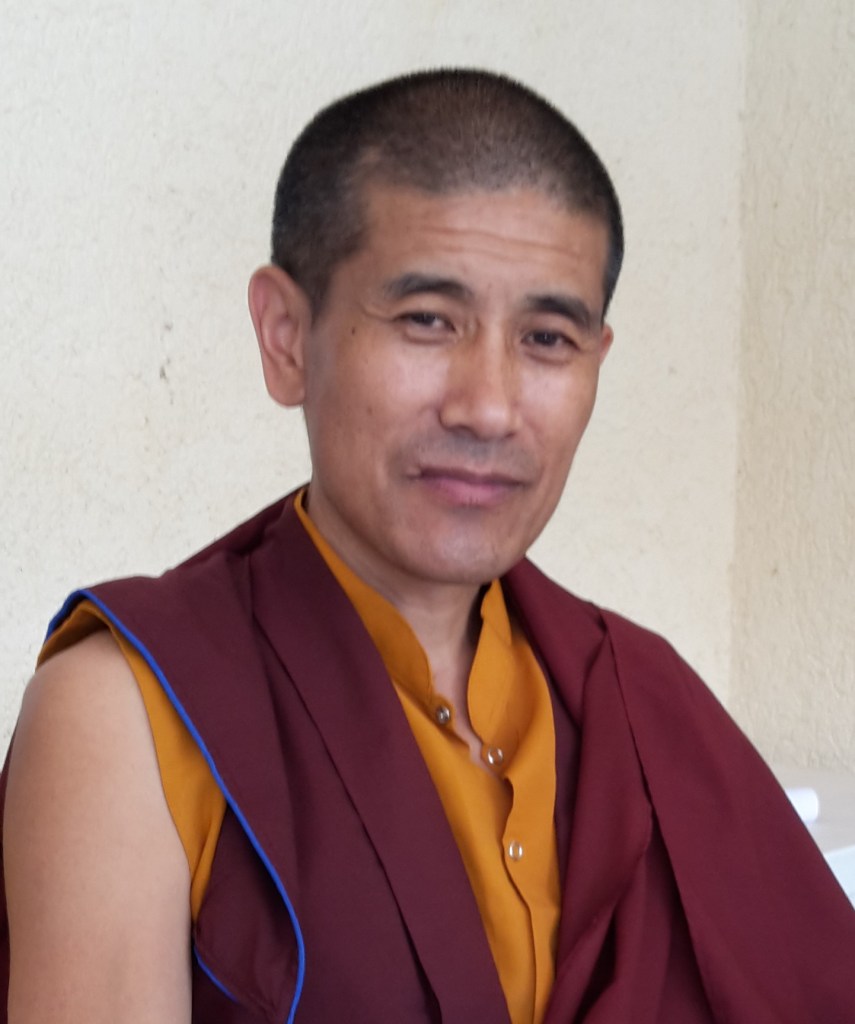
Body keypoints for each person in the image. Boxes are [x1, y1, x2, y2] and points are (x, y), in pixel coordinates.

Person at [0, 68, 853, 1024]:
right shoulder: (134, 706)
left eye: (547, 338)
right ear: (286, 337)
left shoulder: (638, 696)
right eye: (427, 321)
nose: (487, 407)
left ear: (596, 361)